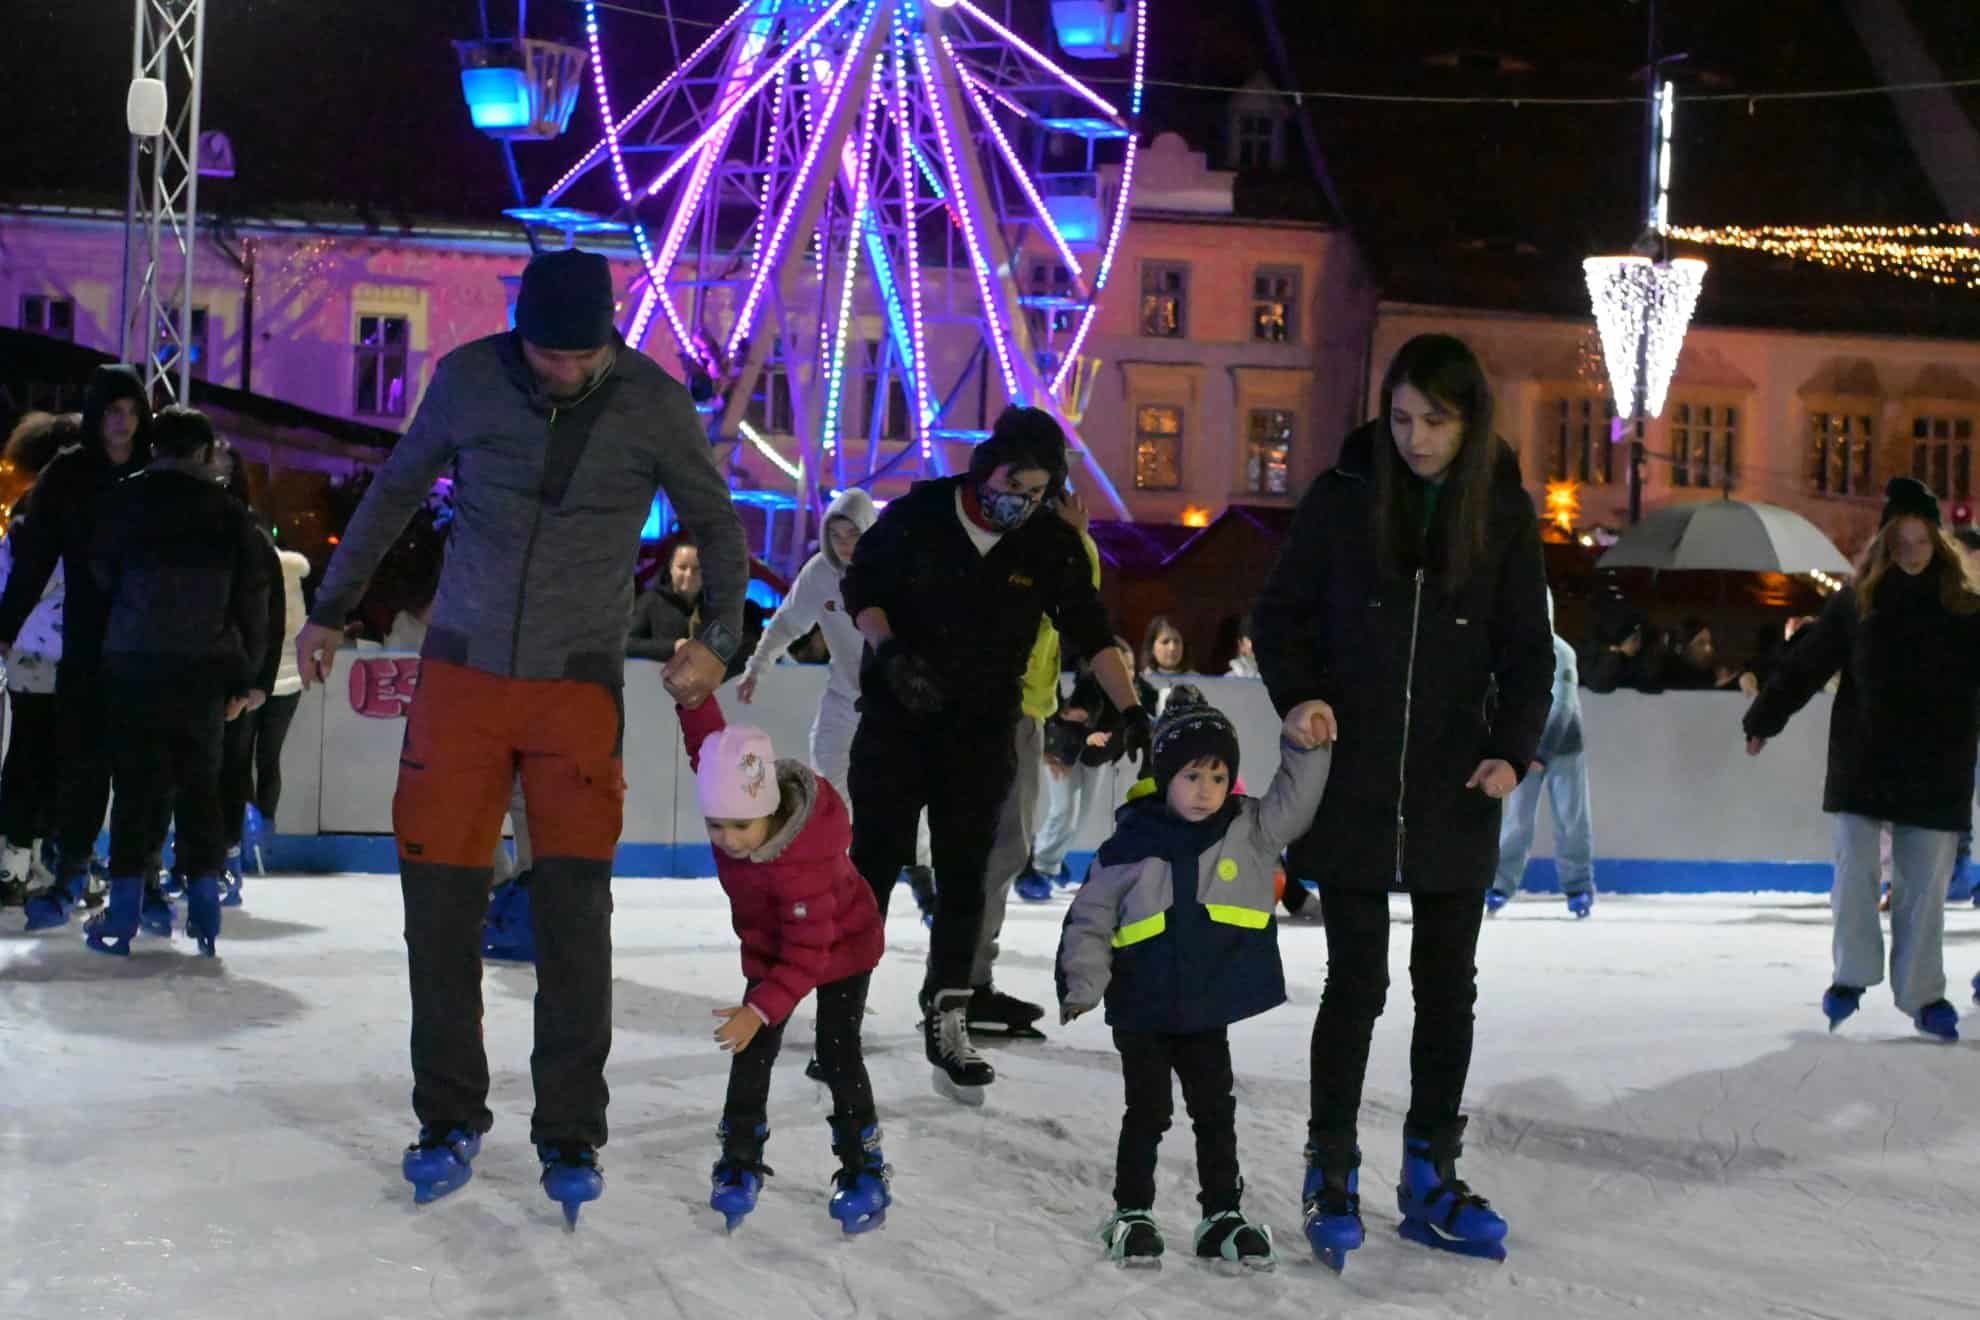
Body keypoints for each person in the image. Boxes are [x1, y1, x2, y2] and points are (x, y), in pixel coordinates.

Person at [293, 248, 749, 1223]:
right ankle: (448, 1115)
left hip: (576, 688)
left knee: (575, 916)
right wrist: (330, 609)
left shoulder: (654, 404)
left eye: (583, 356)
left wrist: (720, 639)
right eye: (547, 354)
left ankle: (571, 1126)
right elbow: (393, 495)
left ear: (611, 338)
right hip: (460, 677)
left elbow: (717, 523)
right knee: (442, 911)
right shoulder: (466, 379)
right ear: (519, 335)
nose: (565, 371)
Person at [1251, 333, 1552, 1269]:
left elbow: (1527, 652)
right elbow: (1278, 615)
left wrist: (1511, 751)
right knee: (1357, 984)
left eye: (1436, 420)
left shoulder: (1501, 514)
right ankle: (1330, 1165)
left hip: (1455, 787)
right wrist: (1299, 694)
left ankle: (1429, 1173)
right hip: (1352, 778)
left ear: (1470, 422)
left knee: (1445, 989)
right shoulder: (1345, 499)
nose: (1416, 438)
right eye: (1403, 418)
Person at [841, 405, 1150, 1103]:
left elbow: (1090, 628)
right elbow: (862, 587)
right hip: (898, 718)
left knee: (967, 875)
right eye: (1016, 485)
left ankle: (949, 1015)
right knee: (874, 865)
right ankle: (841, 1015)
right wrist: (889, 654)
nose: (1023, 501)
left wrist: (1130, 706)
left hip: (980, 731)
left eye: (1039, 492)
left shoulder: (1045, 542)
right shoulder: (920, 513)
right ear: (986, 468)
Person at [1057, 688, 1333, 1268]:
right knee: (1149, 1112)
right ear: (1164, 778)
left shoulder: (1246, 829)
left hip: (1205, 1007)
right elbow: (1090, 917)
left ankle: (1221, 1216)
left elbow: (1295, 804)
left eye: (1216, 775)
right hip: (1143, 1008)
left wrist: (1301, 748)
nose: (1205, 790)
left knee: (1215, 1110)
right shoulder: (1129, 844)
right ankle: (1132, 1212)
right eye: (1190, 775)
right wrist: (1084, 982)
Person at [1743, 478, 1980, 1042]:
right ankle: (1851, 976)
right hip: (1865, 760)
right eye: (1901, 542)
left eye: (1921, 543)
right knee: (1856, 874)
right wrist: (1764, 718)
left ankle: (1923, 996)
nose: (1911, 554)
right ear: (1885, 543)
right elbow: (1809, 663)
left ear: (1938, 544)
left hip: (1937, 766)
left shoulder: (1967, 610)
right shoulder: (1858, 602)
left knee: (1922, 892)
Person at [676, 693, 889, 1235]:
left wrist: (759, 1008)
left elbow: (806, 956)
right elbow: (709, 750)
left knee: (837, 1053)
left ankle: (863, 1166)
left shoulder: (804, 867)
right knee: (752, 1054)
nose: (726, 840)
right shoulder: (737, 802)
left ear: (770, 811)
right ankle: (739, 1159)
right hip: (773, 946)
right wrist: (693, 698)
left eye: (739, 828)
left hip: (840, 946)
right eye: (715, 826)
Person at [80, 407, 271, 957]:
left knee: (137, 786)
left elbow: (100, 578)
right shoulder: (232, 516)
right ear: (206, 452)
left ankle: (121, 916)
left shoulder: (122, 502)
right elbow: (252, 601)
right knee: (199, 787)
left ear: (152, 447)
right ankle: (205, 914)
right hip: (203, 672)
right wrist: (248, 677)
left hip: (133, 664)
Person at [735, 489, 938, 923]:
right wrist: (757, 667)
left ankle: (923, 879)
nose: (845, 543)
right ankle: (841, 883)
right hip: (844, 704)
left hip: (897, 709)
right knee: (832, 791)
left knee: (906, 799)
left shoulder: (896, 570)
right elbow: (788, 622)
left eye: (853, 533)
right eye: (837, 534)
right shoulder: (820, 575)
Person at [3, 365, 153, 929]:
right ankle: (69, 868)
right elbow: (35, 555)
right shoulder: (69, 475)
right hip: (85, 641)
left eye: (132, 412)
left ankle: (136, 877)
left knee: (140, 764)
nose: (123, 423)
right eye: (113, 411)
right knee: (77, 759)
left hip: (145, 639)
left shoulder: (154, 471)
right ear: (96, 415)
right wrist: (6, 624)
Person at [964, 488, 1107, 1038]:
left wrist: (1078, 537)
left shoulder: (1044, 551)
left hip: (1024, 711)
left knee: (1001, 850)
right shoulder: (1019, 552)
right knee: (996, 850)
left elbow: (1081, 595)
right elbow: (1078, 594)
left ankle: (965, 980)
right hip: (1007, 712)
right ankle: (962, 985)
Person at [0, 413, 79, 906]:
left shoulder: (24, 518)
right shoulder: (86, 513)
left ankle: (13, 864)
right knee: (66, 762)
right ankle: (53, 864)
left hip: (29, 653)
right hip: (74, 655)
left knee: (26, 756)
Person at [211, 445, 288, 907]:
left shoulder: (252, 534)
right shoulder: (187, 527)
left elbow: (269, 616)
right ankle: (197, 861)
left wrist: (257, 681)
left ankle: (226, 859)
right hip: (199, 670)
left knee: (232, 769)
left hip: (234, 674)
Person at [1488, 589, 1595, 917]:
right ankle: (1501, 885)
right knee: (1517, 820)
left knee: (1571, 819)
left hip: (1563, 748)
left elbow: (1562, 706)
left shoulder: (1562, 652)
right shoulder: (1514, 650)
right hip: (1526, 748)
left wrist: (1541, 753)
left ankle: (1578, 887)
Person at [1020, 635, 1135, 900]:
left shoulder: (1133, 696)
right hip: (1064, 755)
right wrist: (1085, 736)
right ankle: (1041, 866)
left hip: (1095, 759)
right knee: (1065, 811)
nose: (1124, 675)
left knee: (1080, 816)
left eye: (1129, 668)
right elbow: (1068, 722)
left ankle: (1052, 859)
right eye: (1118, 668)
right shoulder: (1090, 691)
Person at [629, 537, 763, 678]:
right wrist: (673, 647)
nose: (689, 574)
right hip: (653, 688)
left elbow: (741, 645)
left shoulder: (713, 606)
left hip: (708, 691)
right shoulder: (651, 601)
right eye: (682, 567)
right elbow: (628, 644)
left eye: (697, 568)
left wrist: (711, 651)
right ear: (670, 569)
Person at [1139, 615, 1193, 705]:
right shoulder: (1142, 684)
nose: (1172, 648)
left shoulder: (1196, 682)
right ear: (1152, 648)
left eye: (1177, 641)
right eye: (1165, 642)